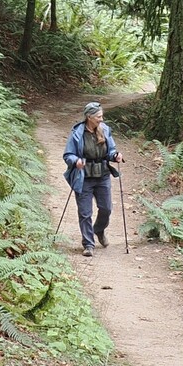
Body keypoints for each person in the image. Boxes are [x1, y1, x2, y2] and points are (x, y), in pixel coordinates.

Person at [63, 101, 123, 257]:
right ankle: (88, 244)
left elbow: (111, 151)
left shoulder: (105, 130)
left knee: (106, 209)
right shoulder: (77, 133)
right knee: (85, 212)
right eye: (98, 117)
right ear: (89, 117)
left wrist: (115, 156)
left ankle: (99, 229)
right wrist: (75, 161)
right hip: (84, 177)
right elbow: (68, 154)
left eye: (102, 116)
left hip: (102, 176)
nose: (101, 119)